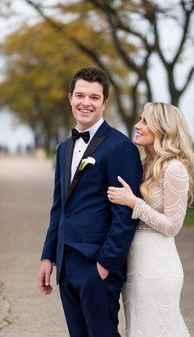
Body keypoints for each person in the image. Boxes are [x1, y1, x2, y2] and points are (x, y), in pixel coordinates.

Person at [38, 67, 143, 337]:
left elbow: (125, 213)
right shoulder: (63, 148)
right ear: (70, 98)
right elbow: (60, 207)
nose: (86, 102)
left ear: (105, 103)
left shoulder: (120, 147)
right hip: (66, 263)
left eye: (94, 97)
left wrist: (106, 264)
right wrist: (48, 256)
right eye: (80, 95)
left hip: (97, 265)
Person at [107, 102, 194, 337]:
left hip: (158, 265)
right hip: (134, 264)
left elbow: (173, 226)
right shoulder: (143, 163)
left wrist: (133, 202)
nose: (137, 125)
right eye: (139, 119)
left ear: (163, 127)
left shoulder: (174, 168)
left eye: (145, 121)